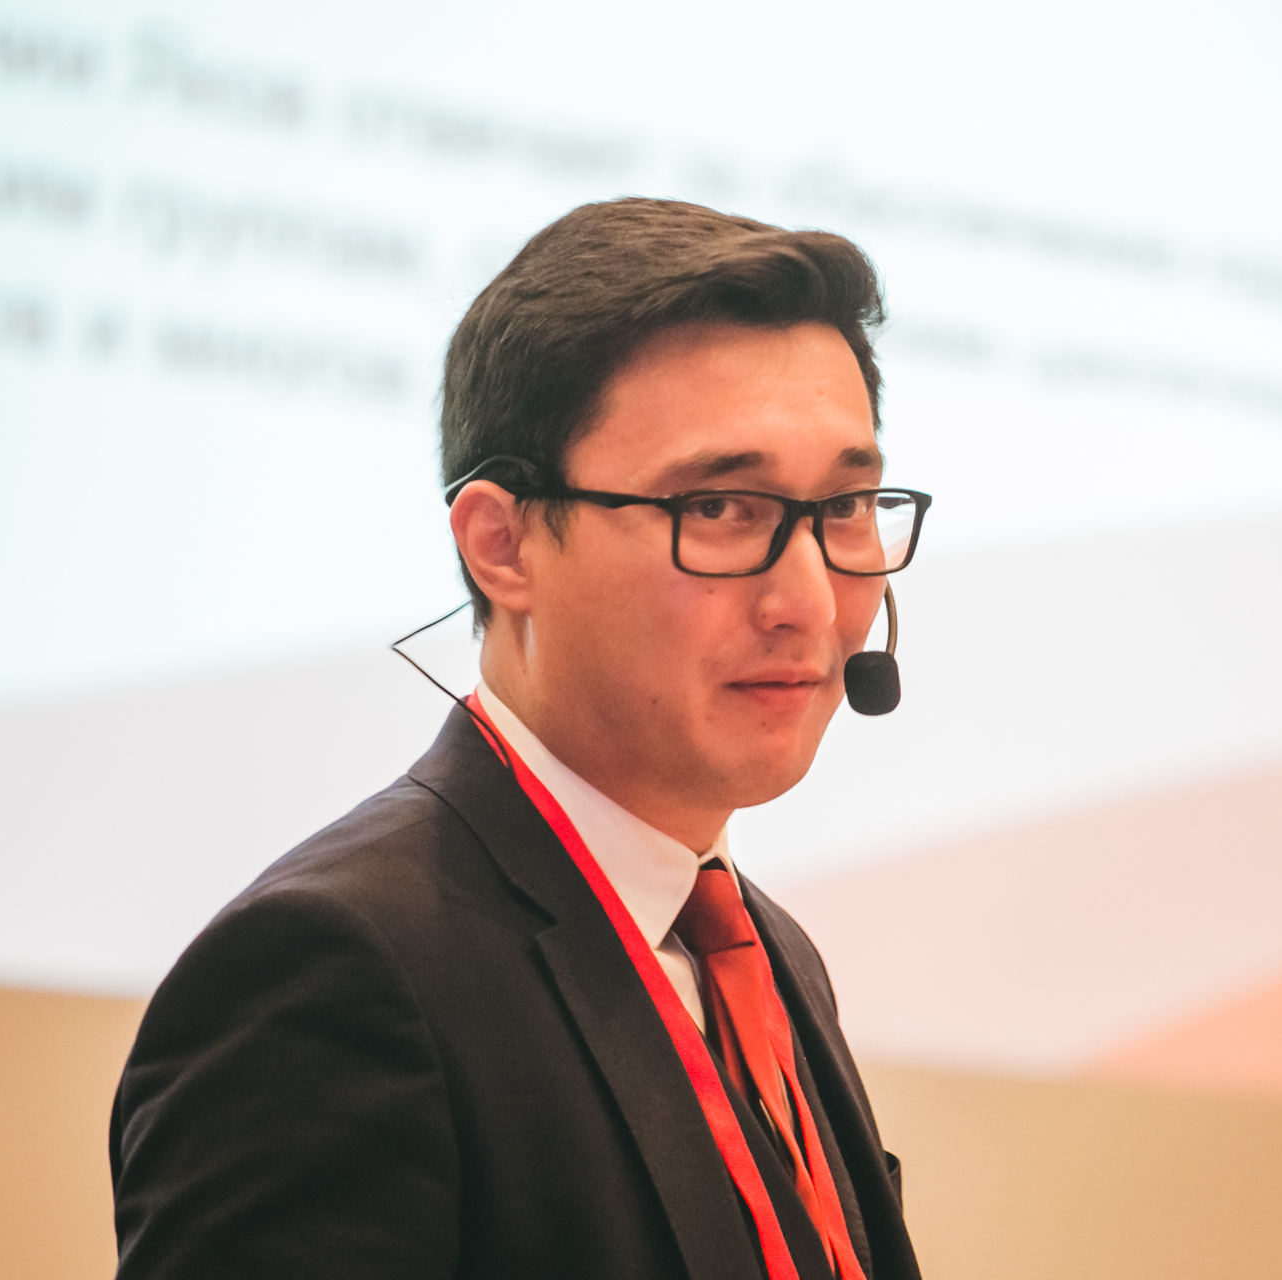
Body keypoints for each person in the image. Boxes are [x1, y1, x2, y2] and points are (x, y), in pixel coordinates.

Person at [109, 197, 931, 1280]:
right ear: (501, 545)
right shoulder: (332, 975)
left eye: (847, 506)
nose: (811, 603)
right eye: (721, 507)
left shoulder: (764, 954)